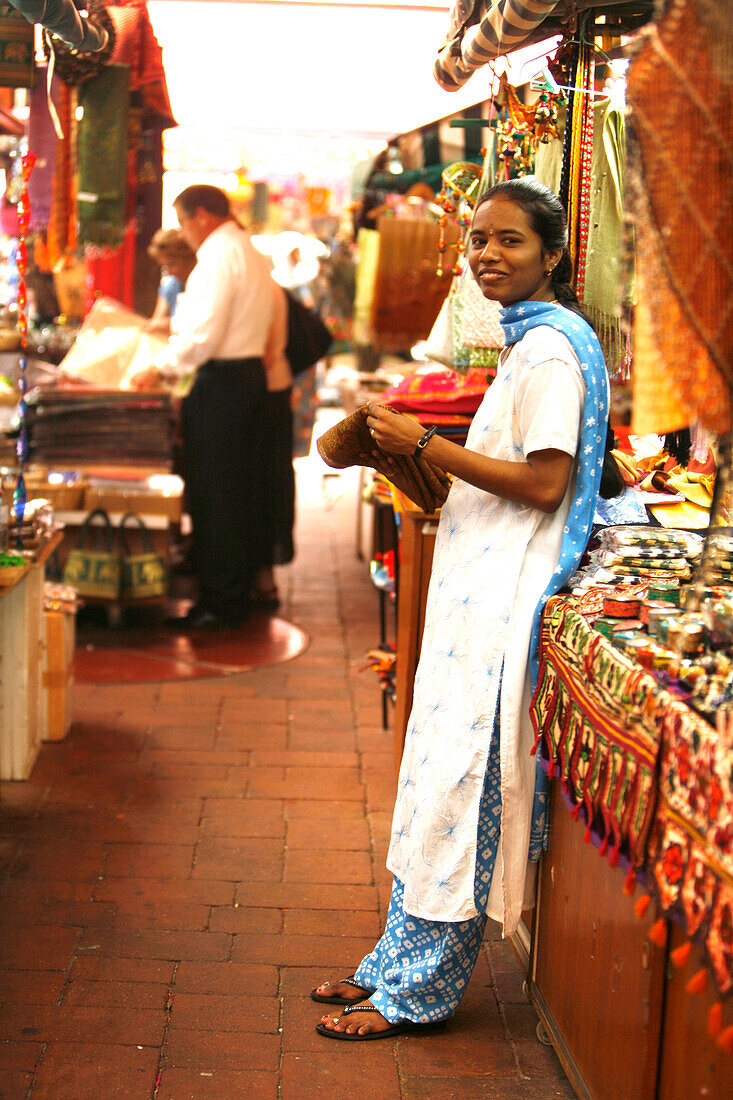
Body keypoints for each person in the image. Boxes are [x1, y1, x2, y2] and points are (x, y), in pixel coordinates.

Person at [313, 177, 622, 1039]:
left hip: (502, 604)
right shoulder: (528, 344)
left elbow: (546, 480)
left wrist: (424, 444)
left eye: (509, 241)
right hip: (473, 591)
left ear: (552, 254)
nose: (486, 253)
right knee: (428, 790)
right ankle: (390, 963)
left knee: (457, 796)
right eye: (477, 238)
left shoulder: (555, 350)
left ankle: (420, 993)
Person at [129, 184, 274, 629]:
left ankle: (220, 603)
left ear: (203, 216)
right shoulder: (243, 249)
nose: (182, 232)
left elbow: (203, 335)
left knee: (217, 495)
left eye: (182, 221)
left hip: (224, 383)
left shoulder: (217, 254)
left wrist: (160, 367)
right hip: (241, 379)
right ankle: (229, 593)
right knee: (231, 492)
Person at [252, 277, 296, 610]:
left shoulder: (259, 289)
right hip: (273, 391)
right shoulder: (267, 286)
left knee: (263, 483)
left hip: (265, 393)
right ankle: (262, 577)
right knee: (269, 481)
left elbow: (265, 353)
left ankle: (263, 577)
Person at [145, 228, 196, 336]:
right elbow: (156, 324)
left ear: (189, 259)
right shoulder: (170, 286)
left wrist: (169, 324)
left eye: (172, 265)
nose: (170, 272)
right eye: (165, 267)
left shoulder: (204, 282)